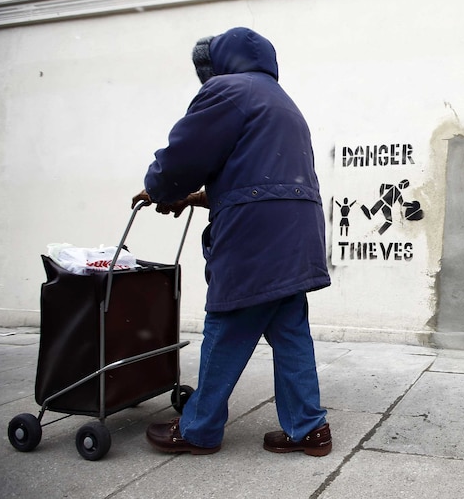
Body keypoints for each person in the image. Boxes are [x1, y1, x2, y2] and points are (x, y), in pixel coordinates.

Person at [132, 27, 332, 456]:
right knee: (290, 329)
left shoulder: (226, 91)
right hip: (295, 234)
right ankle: (309, 429)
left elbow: (183, 156)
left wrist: (163, 189)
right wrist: (197, 199)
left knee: (227, 322)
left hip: (256, 239)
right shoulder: (281, 101)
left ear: (216, 63)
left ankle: (199, 429)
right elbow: (259, 178)